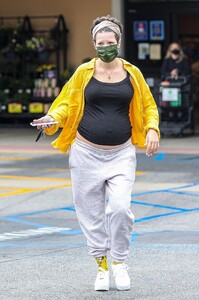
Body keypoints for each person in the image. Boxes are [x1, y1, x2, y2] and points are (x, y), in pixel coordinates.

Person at [32, 15, 160, 292]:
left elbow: (149, 106)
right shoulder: (83, 73)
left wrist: (152, 129)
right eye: (100, 43)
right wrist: (53, 117)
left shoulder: (133, 74)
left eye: (110, 42)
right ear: (94, 44)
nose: (105, 47)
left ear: (118, 42)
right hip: (85, 154)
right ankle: (101, 265)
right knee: (90, 214)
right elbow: (67, 104)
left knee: (120, 209)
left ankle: (120, 262)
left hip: (121, 154)